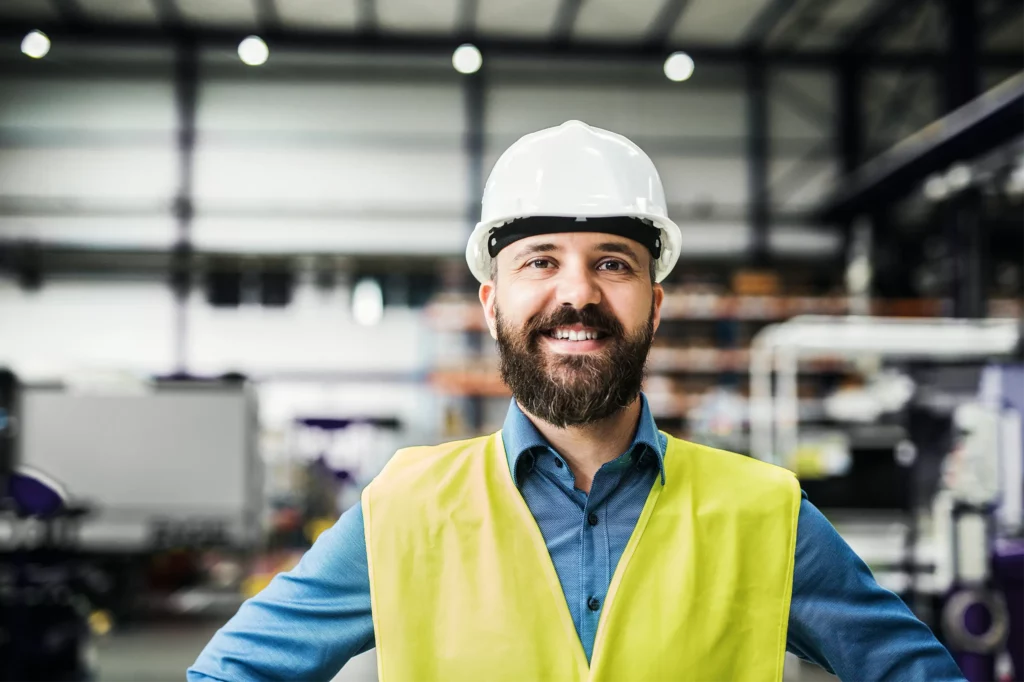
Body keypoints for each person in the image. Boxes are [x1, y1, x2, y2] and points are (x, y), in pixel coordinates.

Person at [188, 121, 966, 681]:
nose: (576, 294)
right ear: (492, 303)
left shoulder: (766, 516)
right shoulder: (406, 510)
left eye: (613, 264)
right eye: (541, 261)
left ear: (654, 305)